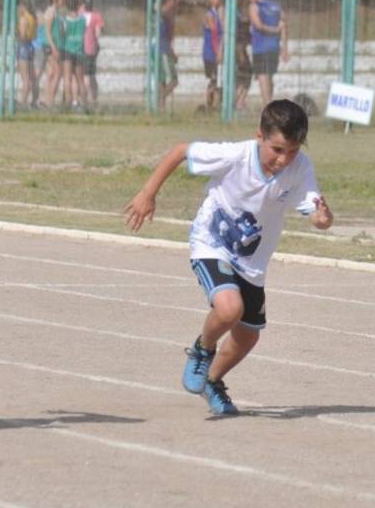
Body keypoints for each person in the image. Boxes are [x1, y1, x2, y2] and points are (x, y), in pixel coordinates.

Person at [123, 99, 334, 415]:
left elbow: (316, 213)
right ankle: (201, 350)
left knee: (247, 336)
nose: (283, 159)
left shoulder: (300, 167)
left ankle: (212, 381)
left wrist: (323, 218)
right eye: (277, 149)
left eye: (292, 150)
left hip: (252, 262)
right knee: (229, 308)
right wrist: (147, 193)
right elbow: (181, 151)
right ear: (259, 136)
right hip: (212, 243)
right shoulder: (236, 156)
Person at [247, 0, 290, 110]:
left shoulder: (254, 7)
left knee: (262, 75)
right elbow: (284, 27)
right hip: (274, 47)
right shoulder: (277, 7)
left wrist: (273, 30)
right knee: (269, 75)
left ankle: (267, 105)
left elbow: (258, 25)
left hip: (260, 47)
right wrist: (284, 48)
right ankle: (270, 101)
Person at [38, 0, 64, 109]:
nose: (63, 1)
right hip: (49, 45)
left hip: (53, 45)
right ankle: (50, 101)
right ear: (56, 0)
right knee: (58, 72)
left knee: (51, 73)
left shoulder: (56, 12)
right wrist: (54, 47)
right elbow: (47, 31)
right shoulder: (51, 11)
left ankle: (45, 100)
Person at [61, 0, 87, 110]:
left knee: (67, 78)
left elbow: (63, 34)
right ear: (77, 6)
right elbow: (84, 32)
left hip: (67, 50)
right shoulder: (83, 20)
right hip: (79, 51)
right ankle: (84, 103)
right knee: (80, 79)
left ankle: (68, 102)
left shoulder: (65, 20)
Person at [81, 0, 105, 106]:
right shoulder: (96, 16)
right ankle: (92, 98)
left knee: (85, 75)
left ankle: (85, 99)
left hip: (80, 48)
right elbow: (98, 33)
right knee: (91, 74)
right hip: (92, 48)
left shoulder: (80, 14)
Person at [203, 0, 224, 112]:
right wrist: (217, 50)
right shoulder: (210, 14)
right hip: (211, 52)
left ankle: (214, 105)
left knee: (217, 80)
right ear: (210, 0)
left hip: (218, 50)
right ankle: (209, 105)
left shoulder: (218, 14)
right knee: (213, 79)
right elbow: (214, 32)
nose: (218, 0)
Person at [157, 0, 179, 112]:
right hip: (162, 51)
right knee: (173, 80)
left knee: (162, 80)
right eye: (171, 3)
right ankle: (160, 100)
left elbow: (169, 37)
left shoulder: (169, 19)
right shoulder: (163, 16)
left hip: (165, 50)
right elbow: (161, 12)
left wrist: (173, 53)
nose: (174, 6)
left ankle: (161, 107)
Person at [16, 2, 38, 109]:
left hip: (23, 47)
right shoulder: (33, 19)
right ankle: (33, 101)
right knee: (32, 78)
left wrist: (19, 37)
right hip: (30, 46)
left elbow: (23, 34)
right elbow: (34, 35)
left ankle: (23, 103)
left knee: (26, 79)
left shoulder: (23, 19)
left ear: (23, 7)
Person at [234, 10, 254, 111]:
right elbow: (240, 45)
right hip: (241, 58)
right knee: (244, 78)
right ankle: (239, 102)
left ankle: (240, 101)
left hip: (242, 56)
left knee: (244, 79)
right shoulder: (242, 31)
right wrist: (242, 56)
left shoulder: (246, 32)